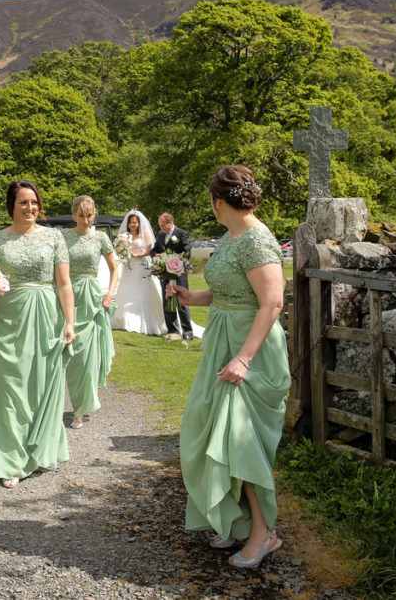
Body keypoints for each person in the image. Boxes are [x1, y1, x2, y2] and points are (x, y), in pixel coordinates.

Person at [170, 165, 290, 569]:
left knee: (241, 441)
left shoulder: (257, 240)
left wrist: (244, 358)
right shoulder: (230, 237)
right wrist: (192, 298)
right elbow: (227, 292)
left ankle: (264, 534)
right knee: (212, 433)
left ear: (217, 201)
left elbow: (272, 303)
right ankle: (238, 522)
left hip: (249, 351)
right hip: (222, 344)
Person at [0, 181, 75, 489]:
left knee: (42, 385)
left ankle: (42, 450)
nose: (30, 208)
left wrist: (70, 322)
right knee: (9, 388)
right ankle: (9, 461)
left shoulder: (54, 237)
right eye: (23, 202)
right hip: (7, 320)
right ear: (12, 206)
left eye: (34, 202)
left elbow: (64, 284)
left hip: (46, 316)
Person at [61, 195, 120, 429]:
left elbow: (115, 270)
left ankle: (80, 409)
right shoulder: (64, 237)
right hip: (66, 295)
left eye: (90, 215)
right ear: (74, 215)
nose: (86, 220)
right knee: (63, 354)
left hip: (91, 297)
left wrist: (109, 294)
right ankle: (49, 406)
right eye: (81, 216)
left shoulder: (101, 238)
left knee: (85, 358)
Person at [110, 210, 167, 336]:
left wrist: (136, 254)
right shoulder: (125, 235)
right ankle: (123, 319)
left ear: (139, 223)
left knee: (143, 290)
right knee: (127, 289)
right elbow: (118, 249)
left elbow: (149, 250)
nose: (132, 225)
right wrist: (122, 253)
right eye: (130, 223)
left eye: (134, 222)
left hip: (141, 264)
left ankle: (143, 320)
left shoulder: (144, 233)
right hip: (129, 267)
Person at [152, 212, 194, 341]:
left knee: (182, 302)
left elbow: (187, 252)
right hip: (164, 273)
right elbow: (154, 249)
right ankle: (172, 330)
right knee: (167, 301)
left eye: (164, 225)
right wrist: (156, 255)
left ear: (170, 223)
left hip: (178, 273)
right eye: (160, 226)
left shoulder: (182, 234)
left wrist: (172, 258)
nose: (162, 228)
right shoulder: (160, 235)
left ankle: (187, 331)